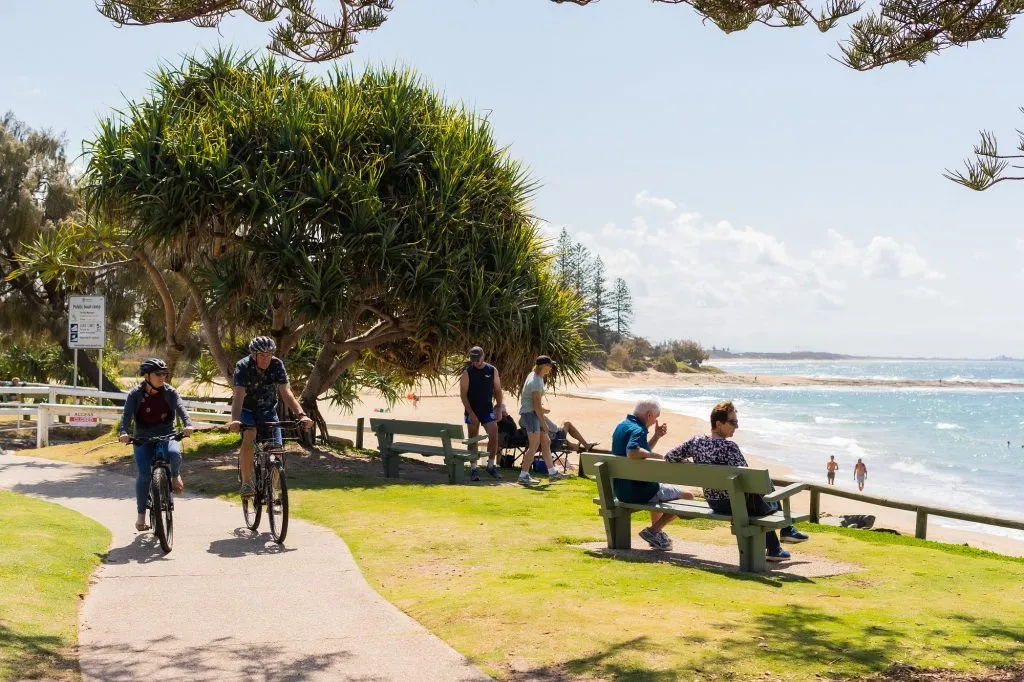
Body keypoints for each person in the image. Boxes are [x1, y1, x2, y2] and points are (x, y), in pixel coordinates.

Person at [664, 401, 809, 562]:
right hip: (734, 504)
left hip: (713, 502)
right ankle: (786, 531)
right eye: (732, 422)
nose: (736, 426)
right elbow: (747, 478)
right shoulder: (729, 447)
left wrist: (690, 464)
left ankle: (775, 548)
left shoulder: (696, 441)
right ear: (718, 424)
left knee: (761, 498)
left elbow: (670, 456)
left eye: (737, 422)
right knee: (768, 490)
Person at [227, 336, 313, 498]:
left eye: (269, 354)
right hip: (246, 410)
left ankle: (271, 491)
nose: (266, 359)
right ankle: (246, 482)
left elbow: (286, 393)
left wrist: (301, 415)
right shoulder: (243, 366)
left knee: (277, 450)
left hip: (267, 410)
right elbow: (238, 395)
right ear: (254, 355)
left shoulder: (277, 365)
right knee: (250, 434)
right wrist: (235, 420)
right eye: (262, 355)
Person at [118, 358, 193, 532]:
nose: (162, 377)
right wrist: (123, 433)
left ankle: (174, 476)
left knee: (174, 455)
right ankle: (141, 518)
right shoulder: (135, 395)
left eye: (164, 374)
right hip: (142, 438)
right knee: (144, 475)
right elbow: (126, 417)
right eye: (158, 374)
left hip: (167, 434)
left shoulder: (170, 392)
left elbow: (181, 409)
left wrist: (188, 424)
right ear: (146, 376)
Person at [611, 398, 693, 551]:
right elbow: (632, 451)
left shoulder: (622, 426)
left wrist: (656, 437)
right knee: (688, 496)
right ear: (649, 415)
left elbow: (639, 451)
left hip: (621, 491)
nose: (656, 420)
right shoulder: (638, 429)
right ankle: (654, 531)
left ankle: (657, 533)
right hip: (639, 492)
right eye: (656, 417)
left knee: (657, 488)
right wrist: (658, 456)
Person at [517, 355, 567, 485]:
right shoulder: (536, 381)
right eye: (549, 365)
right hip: (530, 415)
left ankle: (552, 473)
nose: (551, 368)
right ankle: (523, 476)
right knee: (533, 446)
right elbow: (536, 406)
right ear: (543, 366)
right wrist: (544, 424)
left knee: (545, 441)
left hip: (532, 413)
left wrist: (542, 411)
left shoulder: (534, 376)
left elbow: (534, 403)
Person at [459, 346, 505, 481]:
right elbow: (463, 395)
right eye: (473, 360)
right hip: (472, 410)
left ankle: (491, 465)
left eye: (478, 360)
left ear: (483, 357)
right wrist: (470, 412)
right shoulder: (467, 373)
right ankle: (474, 468)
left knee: (494, 434)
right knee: (473, 438)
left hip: (487, 409)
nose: (476, 363)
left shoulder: (492, 370)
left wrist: (499, 407)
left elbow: (498, 390)